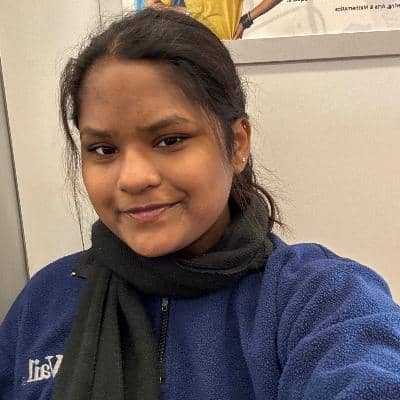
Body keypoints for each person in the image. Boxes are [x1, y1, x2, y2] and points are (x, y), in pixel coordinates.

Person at [1, 8, 400, 400]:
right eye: (103, 149)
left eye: (169, 140)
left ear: (237, 143)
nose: (133, 178)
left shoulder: (320, 299)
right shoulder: (43, 302)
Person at [146, 0, 283, 40]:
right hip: (194, 48)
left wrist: (247, 19)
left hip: (228, 50)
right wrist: (185, 13)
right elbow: (152, 5)